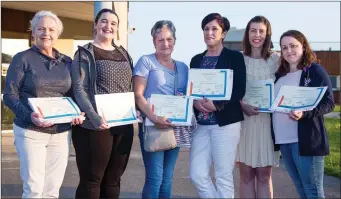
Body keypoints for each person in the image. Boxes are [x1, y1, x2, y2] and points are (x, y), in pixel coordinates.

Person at [3, 10, 84, 198]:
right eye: (40, 28)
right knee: (34, 189)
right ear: (33, 32)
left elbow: (72, 94)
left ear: (57, 34)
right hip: (31, 132)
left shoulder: (67, 62)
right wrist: (30, 115)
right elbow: (9, 95)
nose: (46, 33)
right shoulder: (22, 58)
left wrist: (77, 112)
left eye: (51, 29)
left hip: (61, 133)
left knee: (52, 190)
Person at [71, 8, 134, 199]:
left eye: (113, 23)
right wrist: (94, 117)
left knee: (113, 179)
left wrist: (135, 110)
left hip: (123, 124)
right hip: (95, 125)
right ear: (96, 25)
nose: (109, 26)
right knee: (93, 180)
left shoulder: (124, 53)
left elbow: (128, 86)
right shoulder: (84, 53)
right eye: (104, 21)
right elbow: (79, 89)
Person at [189, 13, 246, 198]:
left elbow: (239, 89)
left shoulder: (234, 57)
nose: (209, 32)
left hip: (226, 123)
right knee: (197, 174)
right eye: (206, 29)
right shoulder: (196, 59)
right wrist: (194, 102)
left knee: (223, 175)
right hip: (201, 125)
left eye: (214, 29)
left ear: (224, 34)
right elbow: (192, 88)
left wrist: (217, 105)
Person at [272, 30, 335, 198]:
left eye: (293, 46)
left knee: (313, 191)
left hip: (305, 141)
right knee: (301, 189)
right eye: (284, 47)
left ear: (304, 46)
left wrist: (304, 114)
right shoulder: (280, 75)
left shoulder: (314, 70)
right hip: (284, 141)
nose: (289, 51)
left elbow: (329, 103)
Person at [133, 20, 189, 199]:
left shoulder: (183, 67)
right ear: (154, 42)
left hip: (175, 127)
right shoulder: (146, 62)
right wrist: (154, 117)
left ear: (175, 40)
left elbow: (186, 96)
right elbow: (138, 95)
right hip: (152, 127)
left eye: (169, 39)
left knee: (167, 179)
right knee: (155, 178)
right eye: (161, 40)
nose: (166, 44)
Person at [236, 16, 280, 198]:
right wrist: (242, 105)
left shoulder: (276, 59)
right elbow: (231, 90)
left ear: (267, 34)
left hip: (267, 124)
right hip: (244, 123)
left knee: (264, 176)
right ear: (247, 34)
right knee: (245, 176)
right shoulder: (238, 58)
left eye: (261, 31)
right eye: (253, 30)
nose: (257, 35)